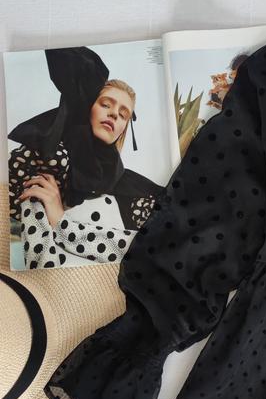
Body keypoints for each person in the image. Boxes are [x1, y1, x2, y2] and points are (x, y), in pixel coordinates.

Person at [7, 46, 164, 268]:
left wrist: (62, 223)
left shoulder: (134, 188)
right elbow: (39, 260)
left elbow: (151, 249)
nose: (113, 114)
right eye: (106, 104)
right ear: (88, 107)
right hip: (58, 284)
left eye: (123, 115)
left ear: (123, 129)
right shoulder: (49, 157)